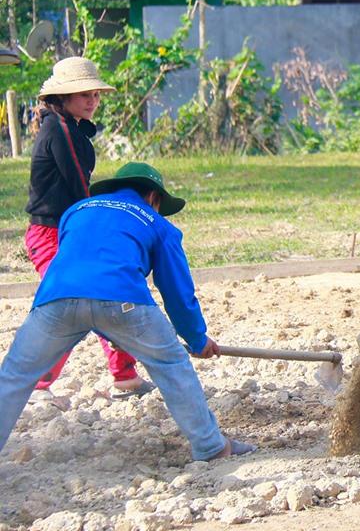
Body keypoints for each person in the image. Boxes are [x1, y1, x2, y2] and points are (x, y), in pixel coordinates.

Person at [0, 162, 255, 461]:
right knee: (172, 364)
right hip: (124, 301)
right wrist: (197, 340)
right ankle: (211, 446)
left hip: (55, 298)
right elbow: (177, 293)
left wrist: (111, 330)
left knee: (14, 375)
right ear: (152, 197)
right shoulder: (157, 224)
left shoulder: (76, 211)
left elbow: (87, 271)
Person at [24, 57, 151, 401]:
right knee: (68, 303)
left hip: (72, 231)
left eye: (95, 94)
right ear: (63, 98)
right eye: (84, 95)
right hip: (51, 235)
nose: (92, 101)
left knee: (106, 293)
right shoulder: (60, 130)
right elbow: (80, 186)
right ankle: (37, 383)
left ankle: (125, 376)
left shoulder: (70, 126)